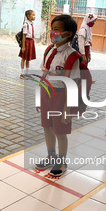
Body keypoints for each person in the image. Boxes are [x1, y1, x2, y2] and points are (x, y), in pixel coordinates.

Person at [35, 14, 80, 177]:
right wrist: (39, 97)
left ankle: (61, 161)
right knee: (47, 127)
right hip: (46, 93)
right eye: (51, 29)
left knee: (59, 130)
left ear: (67, 34)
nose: (52, 33)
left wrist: (68, 107)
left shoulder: (72, 55)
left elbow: (73, 83)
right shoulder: (49, 50)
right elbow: (44, 73)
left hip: (61, 97)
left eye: (56, 30)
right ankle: (51, 156)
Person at [19, 10, 36, 79]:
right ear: (28, 16)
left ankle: (27, 73)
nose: (34, 16)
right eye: (33, 15)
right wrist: (23, 46)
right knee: (24, 58)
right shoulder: (26, 24)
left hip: (31, 42)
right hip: (26, 42)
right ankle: (22, 73)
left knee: (28, 58)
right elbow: (24, 36)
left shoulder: (31, 24)